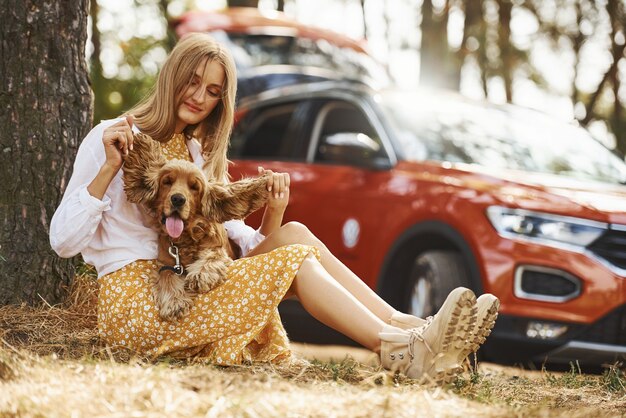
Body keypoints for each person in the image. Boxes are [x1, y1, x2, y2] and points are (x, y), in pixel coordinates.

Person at [50, 33, 498, 382]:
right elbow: (62, 242)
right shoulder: (113, 136)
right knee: (296, 258)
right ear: (172, 76)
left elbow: (236, 244)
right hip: (143, 303)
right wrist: (109, 167)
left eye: (212, 91)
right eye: (192, 81)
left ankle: (416, 330)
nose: (199, 97)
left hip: (195, 282)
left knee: (297, 235)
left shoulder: (196, 156)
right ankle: (397, 350)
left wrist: (275, 213)